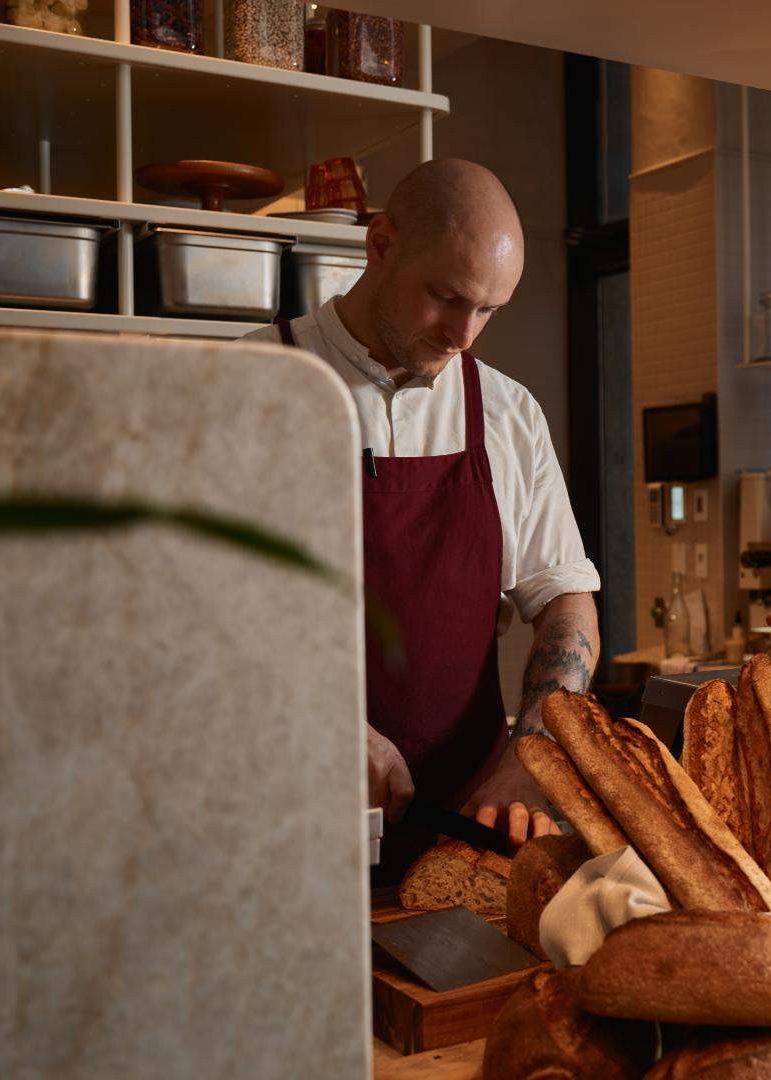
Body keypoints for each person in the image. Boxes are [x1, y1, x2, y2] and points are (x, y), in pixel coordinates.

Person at [247, 160, 600, 868]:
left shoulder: (507, 411)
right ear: (381, 244)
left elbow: (565, 602)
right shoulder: (249, 385)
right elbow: (182, 617)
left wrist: (530, 754)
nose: (464, 334)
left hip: (464, 822)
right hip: (280, 820)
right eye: (446, 297)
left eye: (489, 310)